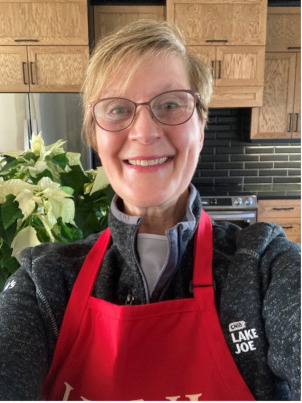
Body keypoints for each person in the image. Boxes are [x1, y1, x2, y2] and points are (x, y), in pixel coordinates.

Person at [0, 20, 300, 401]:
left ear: (201, 126)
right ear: (95, 135)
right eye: (117, 109)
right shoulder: (44, 282)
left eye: (171, 104)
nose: (144, 132)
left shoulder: (265, 268)